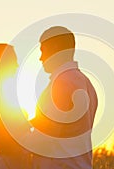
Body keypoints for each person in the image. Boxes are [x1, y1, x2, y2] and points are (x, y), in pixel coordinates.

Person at [30, 26, 98, 169]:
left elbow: (47, 136)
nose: (40, 58)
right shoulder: (87, 83)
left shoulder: (62, 84)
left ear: (55, 48)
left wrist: (13, 137)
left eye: (43, 50)